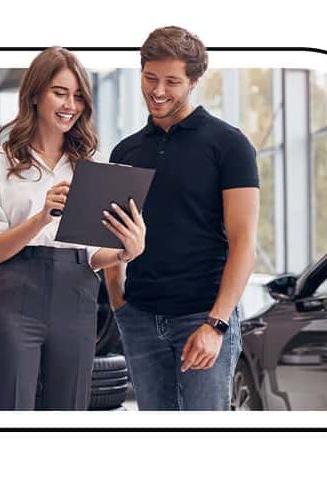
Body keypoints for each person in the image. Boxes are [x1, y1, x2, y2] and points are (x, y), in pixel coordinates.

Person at [0, 47, 147, 410]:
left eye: (78, 95)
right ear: (35, 95)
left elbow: (92, 254)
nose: (71, 104)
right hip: (16, 297)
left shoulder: (89, 167)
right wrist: (41, 217)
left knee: (68, 413)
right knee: (11, 409)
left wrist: (127, 251)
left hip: (76, 299)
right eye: (60, 92)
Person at [104, 26, 260, 410]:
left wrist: (217, 324)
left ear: (194, 81)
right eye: (150, 78)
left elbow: (244, 242)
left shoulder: (229, 144)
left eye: (172, 82)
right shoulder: (125, 151)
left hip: (201, 318)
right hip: (139, 317)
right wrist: (118, 302)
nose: (158, 91)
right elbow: (111, 235)